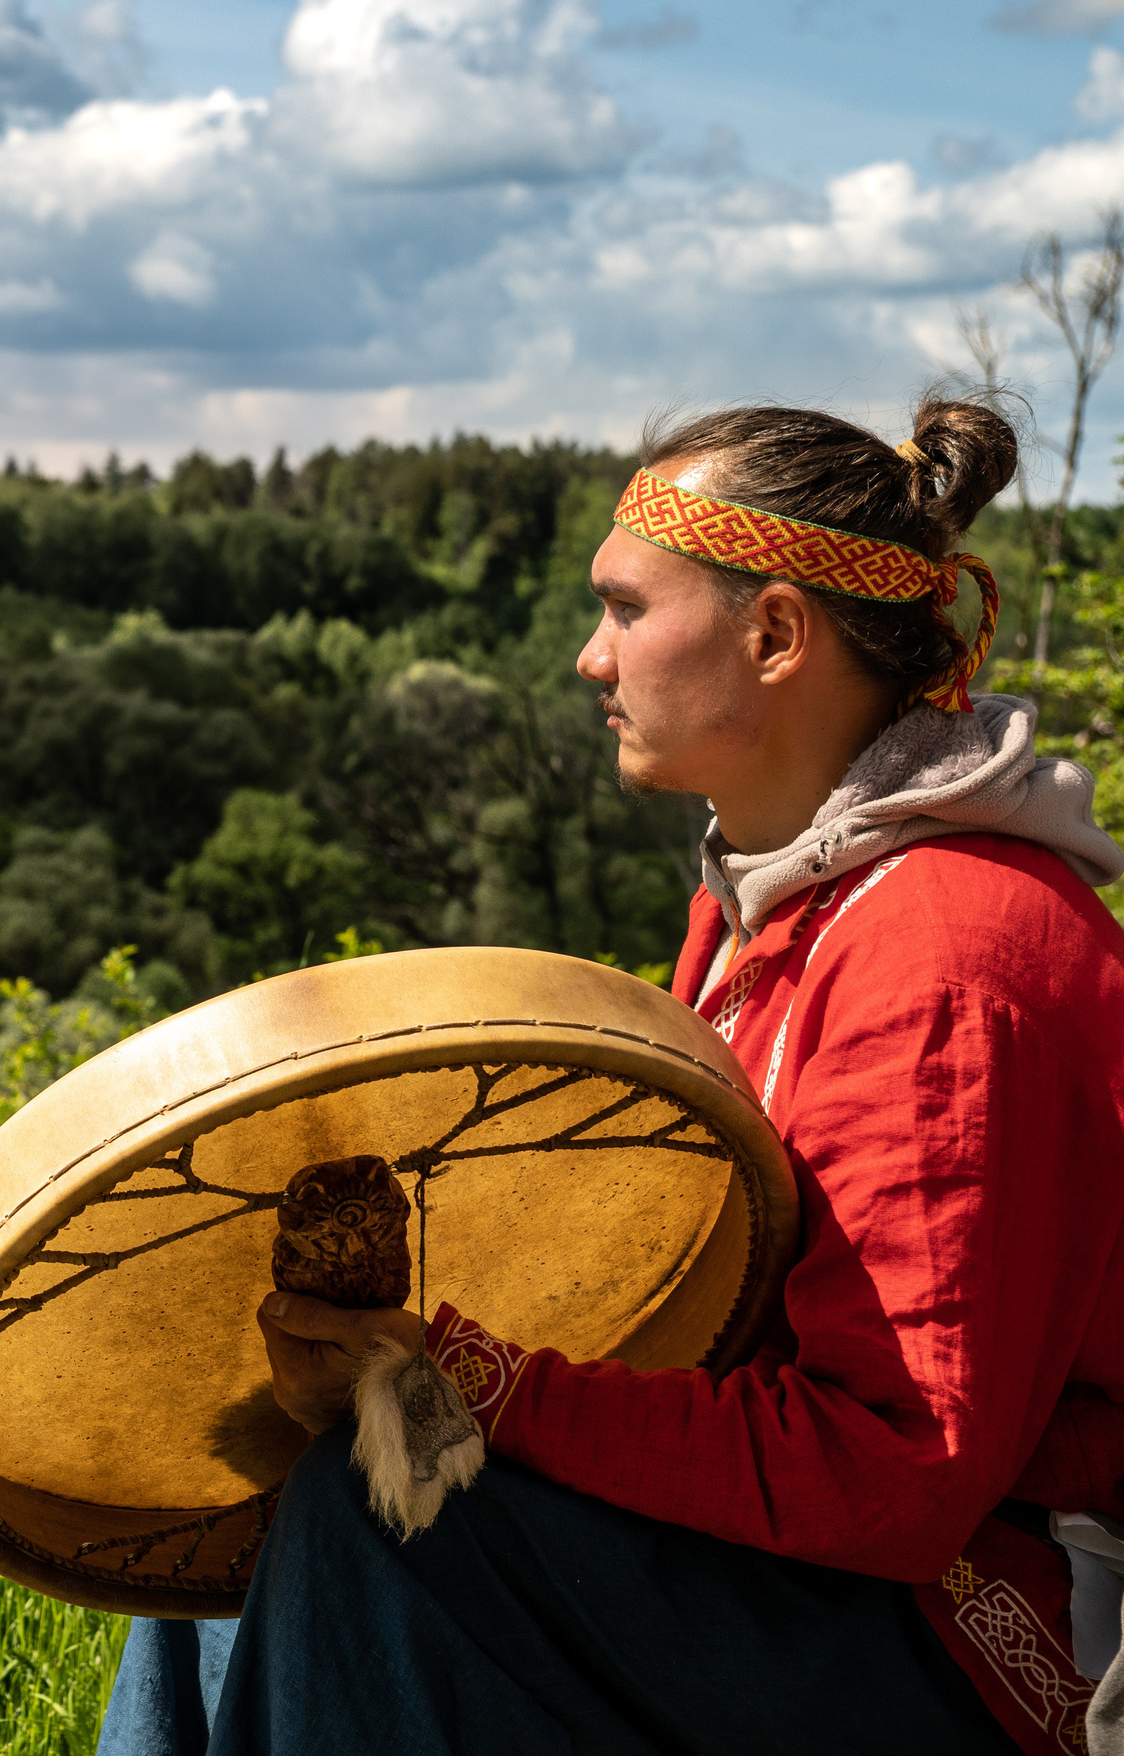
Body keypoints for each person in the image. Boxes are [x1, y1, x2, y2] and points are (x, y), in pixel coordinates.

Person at [97, 396, 1124, 1756]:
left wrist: (486, 1388)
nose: (592, 658)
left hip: (982, 1632)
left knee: (382, 1500)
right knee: (298, 1464)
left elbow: (896, 1474)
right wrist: (407, 1373)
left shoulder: (941, 956)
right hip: (843, 1576)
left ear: (773, 635)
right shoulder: (780, 901)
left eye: (628, 610)